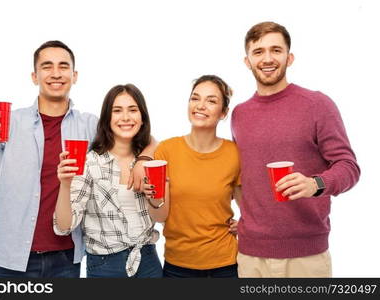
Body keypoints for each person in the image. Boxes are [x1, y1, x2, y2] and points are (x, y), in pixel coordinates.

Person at [0, 41, 152, 278]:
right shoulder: (10, 123)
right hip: (11, 259)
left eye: (63, 66)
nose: (56, 73)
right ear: (35, 76)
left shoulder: (90, 125)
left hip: (66, 258)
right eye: (47, 66)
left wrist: (144, 158)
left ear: (74, 76)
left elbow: (140, 134)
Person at [231, 21, 361, 277]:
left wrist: (316, 184)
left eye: (276, 50)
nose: (267, 58)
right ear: (247, 61)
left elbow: (349, 167)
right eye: (258, 52)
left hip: (306, 256)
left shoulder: (317, 104)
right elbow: (243, 177)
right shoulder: (239, 114)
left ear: (289, 58)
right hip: (250, 255)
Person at [53, 84, 167, 278]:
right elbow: (64, 227)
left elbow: (163, 216)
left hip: (148, 261)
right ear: (107, 119)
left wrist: (145, 161)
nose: (125, 117)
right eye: (117, 111)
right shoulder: (90, 163)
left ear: (142, 118)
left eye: (132, 110)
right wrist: (65, 184)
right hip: (105, 266)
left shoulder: (154, 160)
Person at [149, 75, 241, 278]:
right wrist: (152, 195)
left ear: (223, 112)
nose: (200, 106)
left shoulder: (234, 153)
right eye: (195, 98)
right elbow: (159, 216)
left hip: (225, 266)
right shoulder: (166, 150)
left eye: (211, 101)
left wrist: (243, 224)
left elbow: (249, 206)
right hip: (177, 266)